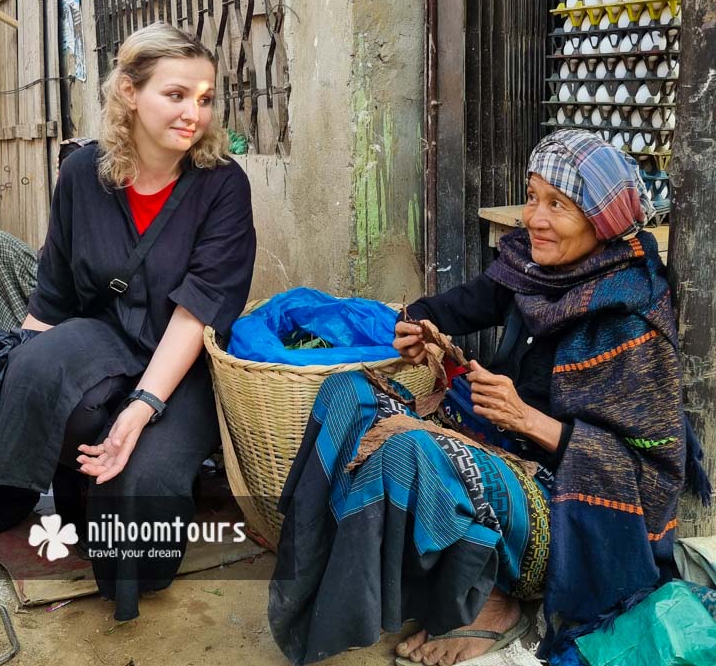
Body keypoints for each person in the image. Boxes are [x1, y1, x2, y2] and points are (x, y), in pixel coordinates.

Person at [268, 130, 706, 666]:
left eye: (558, 205)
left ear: (601, 222)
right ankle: (329, 572)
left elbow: (649, 476)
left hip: (561, 508)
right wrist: (416, 326)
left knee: (414, 453)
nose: (534, 218)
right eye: (532, 196)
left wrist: (530, 421)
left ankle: (495, 604)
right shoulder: (531, 270)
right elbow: (456, 306)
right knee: (347, 394)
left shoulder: (630, 318)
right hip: (497, 448)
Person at [0, 24, 256, 620]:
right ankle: (79, 481)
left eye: (204, 99)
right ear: (129, 91)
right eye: (175, 95)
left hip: (180, 362)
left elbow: (197, 311)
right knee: (41, 371)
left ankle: (139, 475)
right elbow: (54, 297)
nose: (193, 114)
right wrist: (17, 388)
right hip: (101, 344)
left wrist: (141, 407)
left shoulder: (222, 184)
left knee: (138, 548)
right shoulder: (82, 175)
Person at [0, 139, 93, 331]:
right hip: (50, 278)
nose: (61, 174)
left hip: (83, 294)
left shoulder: (102, 200)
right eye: (60, 169)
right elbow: (51, 263)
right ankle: (11, 340)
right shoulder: (65, 195)